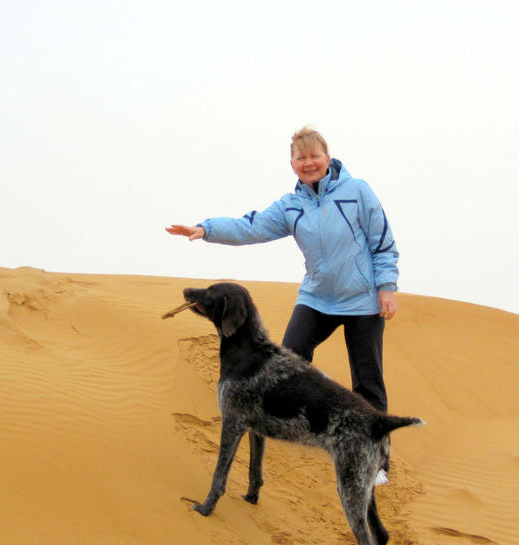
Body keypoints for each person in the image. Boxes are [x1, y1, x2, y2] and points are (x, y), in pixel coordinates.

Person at [167, 126, 401, 483]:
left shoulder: (357, 192)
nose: (308, 163)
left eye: (314, 156)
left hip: (362, 300)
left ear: (327, 156)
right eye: (300, 157)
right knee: (287, 359)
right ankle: (287, 424)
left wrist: (386, 286)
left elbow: (382, 240)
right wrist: (206, 229)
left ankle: (377, 460)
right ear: (292, 163)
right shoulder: (292, 205)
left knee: (368, 382)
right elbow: (252, 227)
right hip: (317, 298)